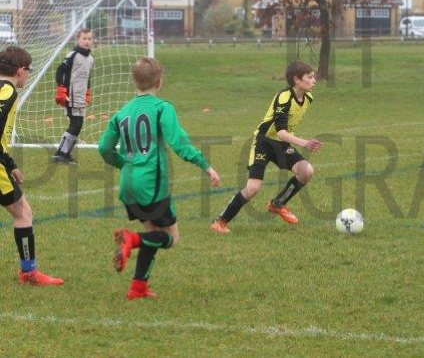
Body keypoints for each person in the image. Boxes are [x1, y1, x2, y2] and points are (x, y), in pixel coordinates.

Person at [98, 57, 221, 300]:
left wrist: (123, 164)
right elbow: (179, 143)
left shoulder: (122, 112)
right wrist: (205, 165)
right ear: (159, 81)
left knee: (152, 234)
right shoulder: (162, 108)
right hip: (151, 185)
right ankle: (130, 239)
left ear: (134, 81)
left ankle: (138, 287)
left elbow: (104, 148)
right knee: (171, 238)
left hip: (128, 185)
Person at [210, 61, 323, 234]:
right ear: (297, 80)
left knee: (306, 171)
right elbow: (281, 132)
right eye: (309, 77)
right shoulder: (284, 97)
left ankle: (278, 204)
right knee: (253, 187)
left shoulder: (308, 98)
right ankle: (220, 221)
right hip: (264, 143)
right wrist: (304, 143)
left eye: (314, 77)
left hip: (282, 145)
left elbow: (284, 134)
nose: (314, 80)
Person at [0, 46, 64, 286]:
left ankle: (29, 272)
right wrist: (8, 163)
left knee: (23, 211)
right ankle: (29, 273)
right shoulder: (7, 92)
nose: (28, 75)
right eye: (28, 70)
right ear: (20, 70)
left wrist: (10, 165)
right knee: (23, 213)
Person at [52, 28, 95, 164]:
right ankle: (60, 154)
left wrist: (87, 92)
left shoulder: (91, 59)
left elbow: (87, 78)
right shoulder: (72, 55)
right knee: (75, 123)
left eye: (89, 38)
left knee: (78, 125)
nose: (87, 41)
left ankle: (64, 154)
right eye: (84, 38)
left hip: (81, 97)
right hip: (70, 96)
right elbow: (60, 71)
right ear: (78, 40)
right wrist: (61, 88)